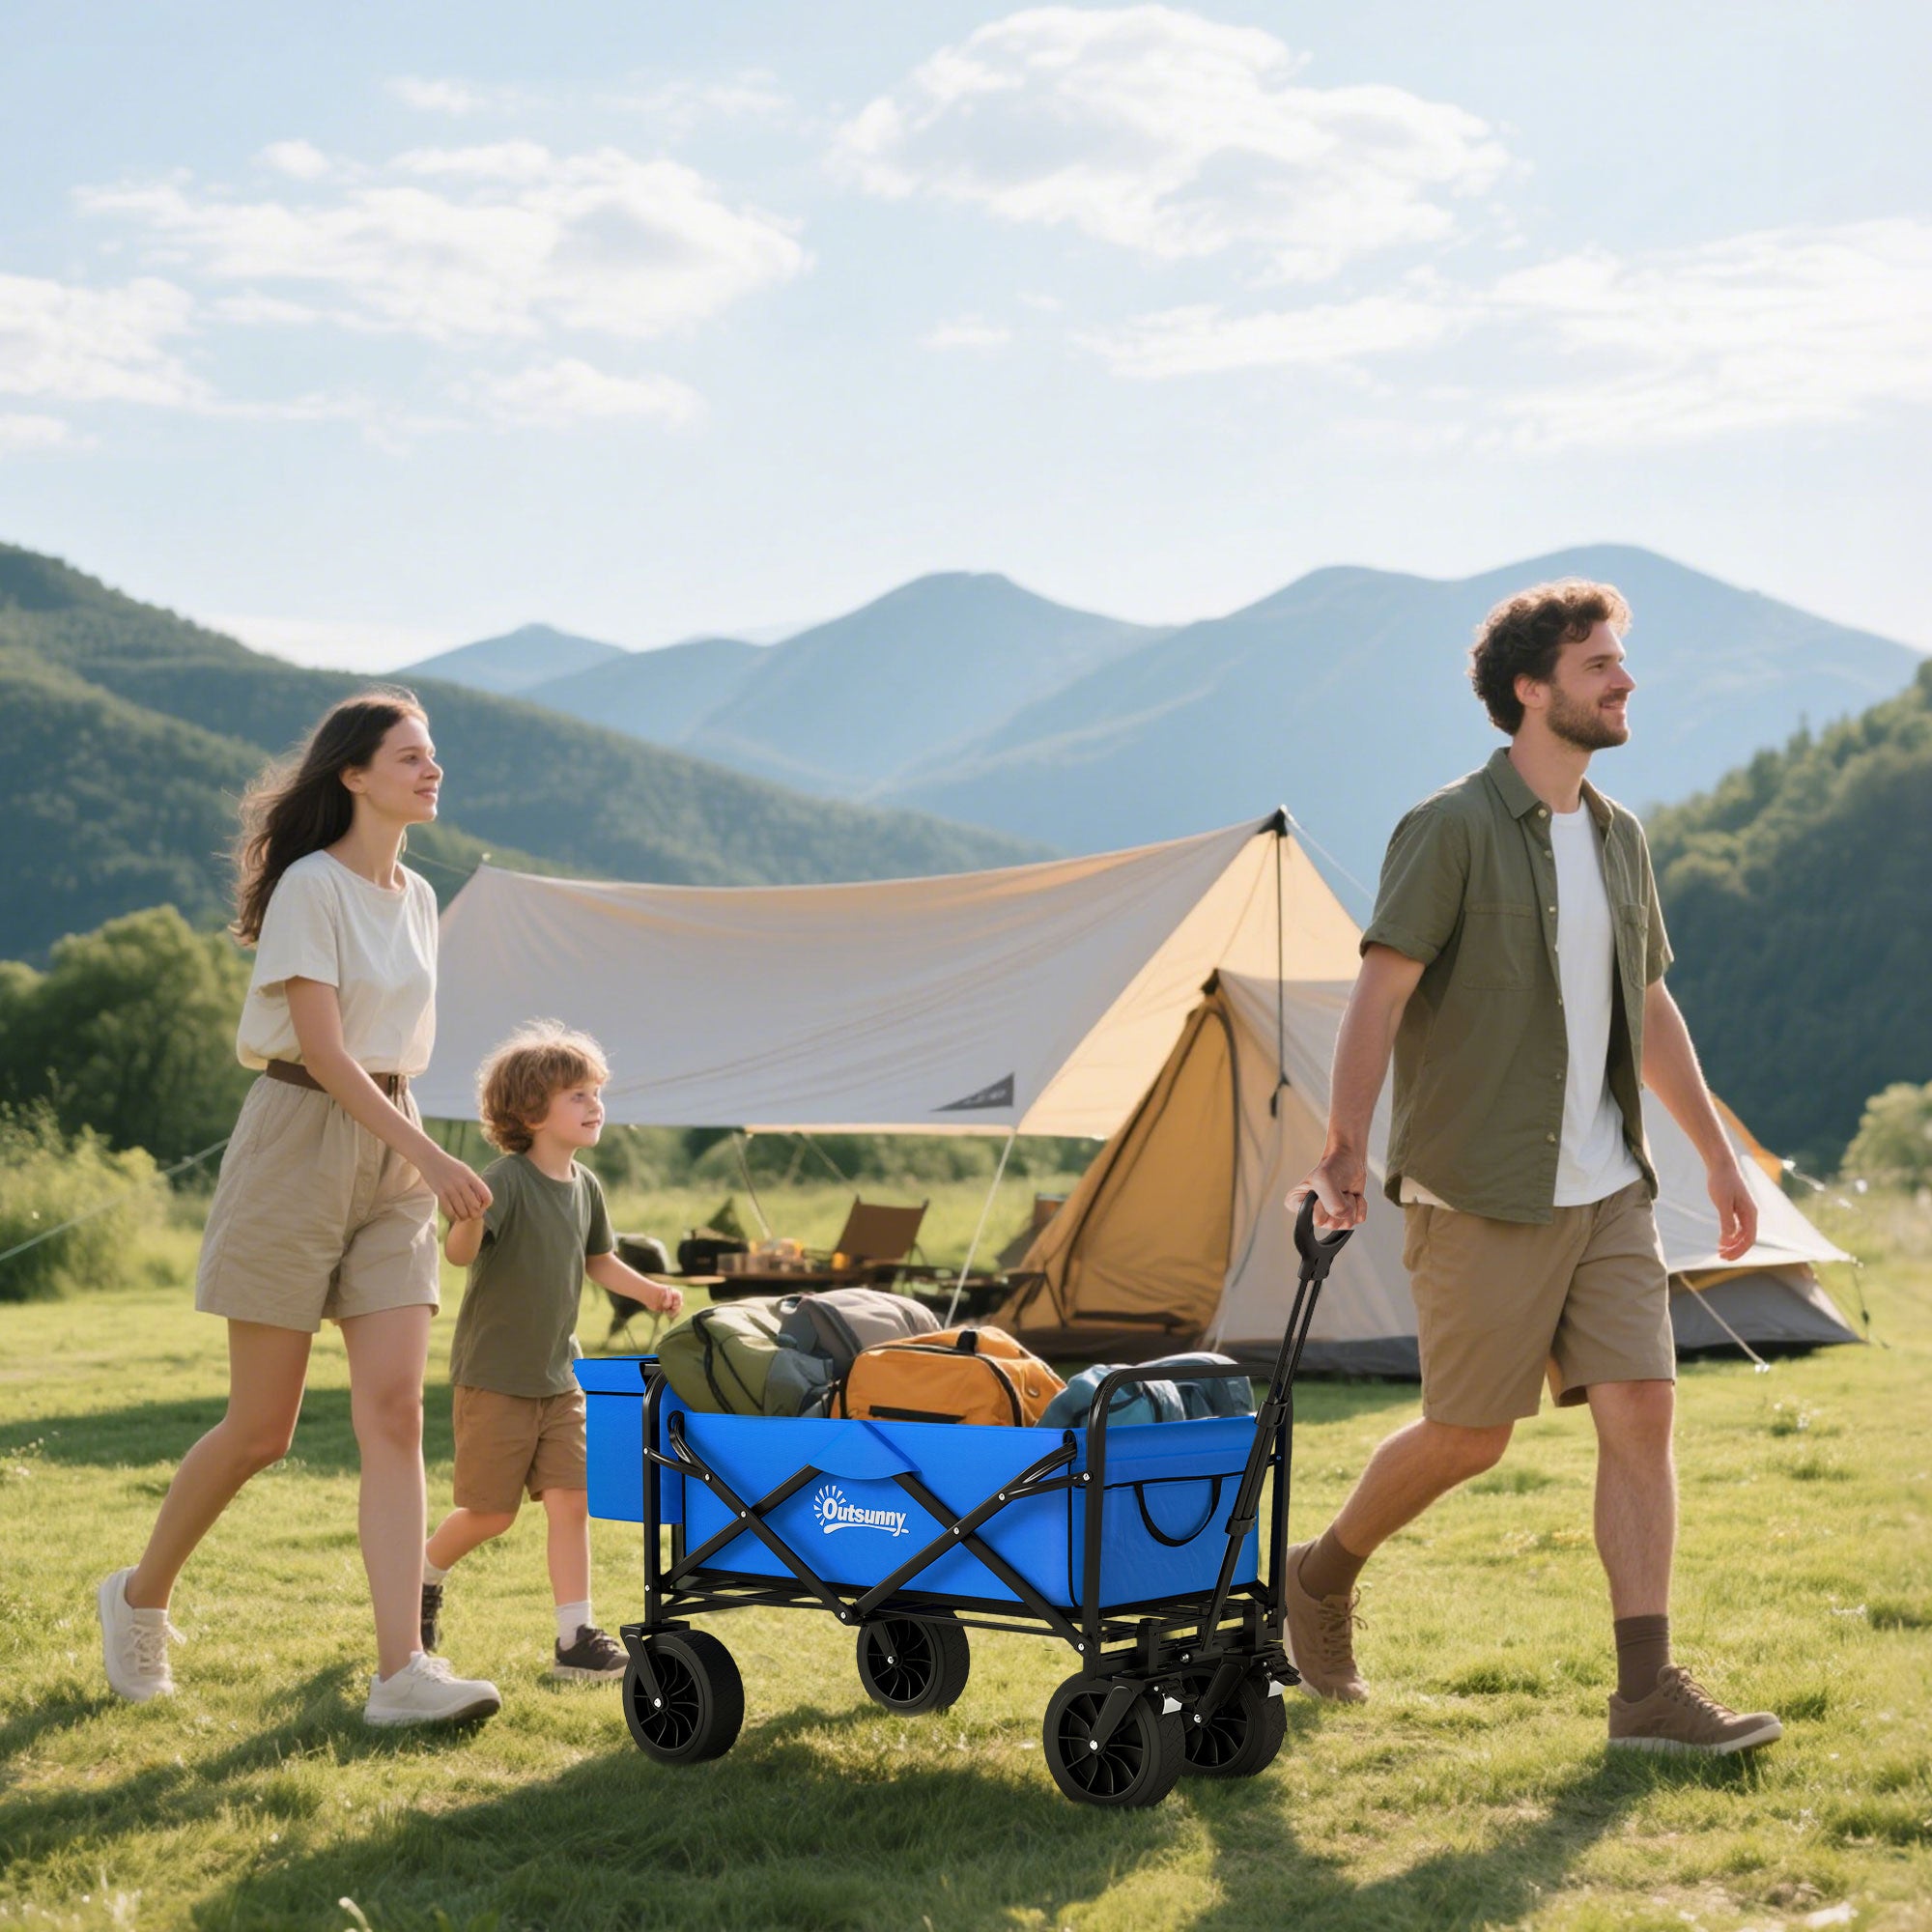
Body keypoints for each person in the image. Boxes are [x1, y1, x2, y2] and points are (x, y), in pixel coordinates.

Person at [1288, 580, 1783, 1756]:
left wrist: (1714, 1157)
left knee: (1641, 1411)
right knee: (1468, 1435)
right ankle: (1319, 1573)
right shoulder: (1449, 826)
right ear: (1529, 687)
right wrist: (1343, 1145)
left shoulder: (1619, 838)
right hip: (1480, 1188)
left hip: (1608, 1186)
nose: (1621, 680)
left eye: (1619, 662)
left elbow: (1647, 1002)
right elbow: (1381, 990)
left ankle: (1644, 1695)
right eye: (1598, 663)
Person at [97, 689, 504, 1726]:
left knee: (395, 1410)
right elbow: (323, 1051)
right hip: (298, 1138)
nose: (431, 769)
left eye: (433, 754)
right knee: (261, 1427)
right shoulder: (311, 887)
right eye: (410, 756)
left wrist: (415, 1151)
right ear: (354, 775)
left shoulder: (415, 895)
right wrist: (432, 1154)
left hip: (391, 1149)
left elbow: (391, 1049)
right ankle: (139, 1595)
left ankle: (399, 1669)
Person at [420, 1022, 683, 1683]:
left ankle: (575, 1640)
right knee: (491, 1513)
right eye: (577, 1094)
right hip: (496, 1378)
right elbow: (459, 1254)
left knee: (571, 1501)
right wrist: (470, 1216)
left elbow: (600, 1260)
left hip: (561, 1378)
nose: (595, 1104)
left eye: (597, 1092)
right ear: (530, 1110)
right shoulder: (503, 1181)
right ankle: (420, 1578)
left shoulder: (586, 1185)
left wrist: (649, 1291)